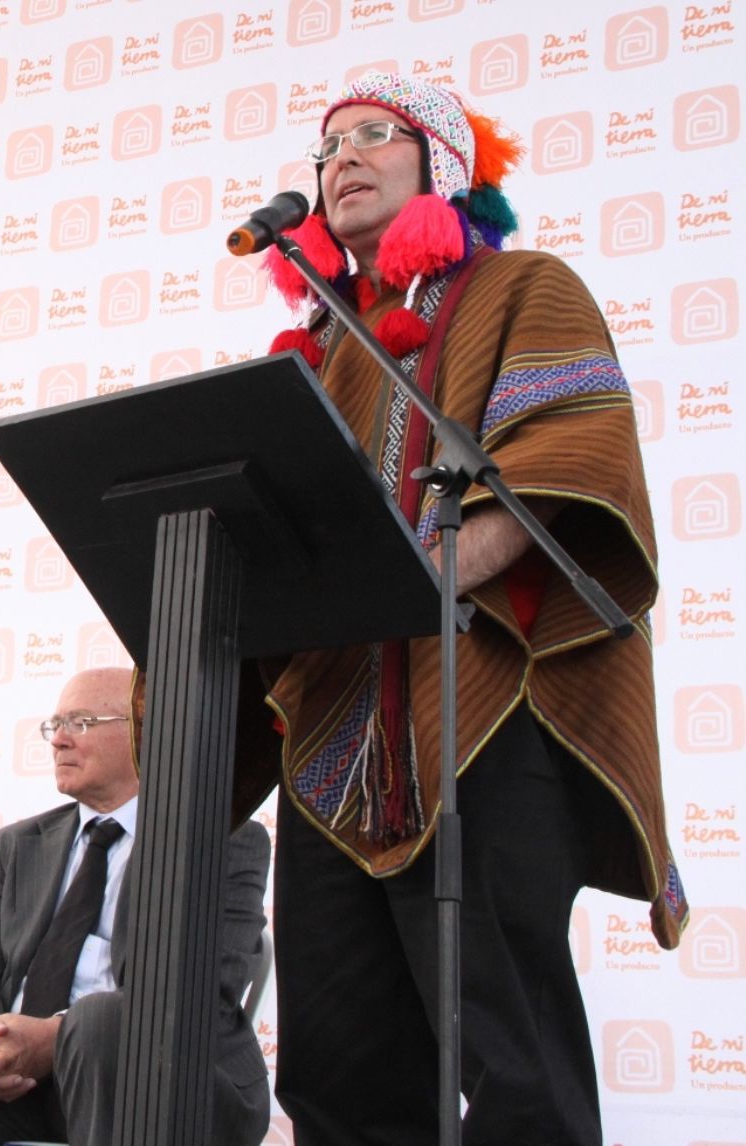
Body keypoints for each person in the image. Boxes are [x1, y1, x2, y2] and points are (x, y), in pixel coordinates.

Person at [249, 71, 682, 1144]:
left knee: (514, 1058)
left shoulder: (522, 287)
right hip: (331, 750)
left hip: (480, 711)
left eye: (373, 135)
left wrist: (437, 567)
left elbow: (571, 451)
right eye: (328, 145)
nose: (340, 158)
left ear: (444, 163)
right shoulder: (318, 351)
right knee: (336, 1073)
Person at [0, 667, 270, 1146]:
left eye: (80, 723)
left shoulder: (220, 838)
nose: (58, 740)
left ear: (145, 732)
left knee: (99, 1022)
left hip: (158, 1078)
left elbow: (203, 985)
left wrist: (53, 1038)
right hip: (20, 1088)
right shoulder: (17, 845)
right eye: (54, 725)